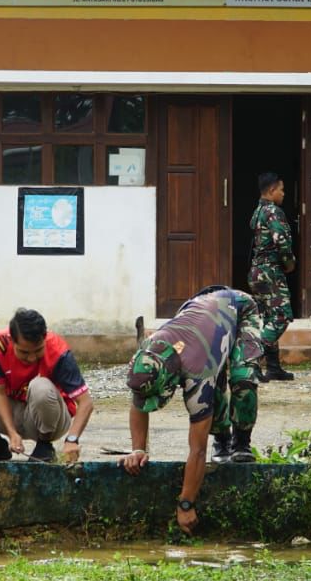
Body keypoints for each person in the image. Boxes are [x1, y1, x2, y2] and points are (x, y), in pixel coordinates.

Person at [122, 286, 263, 534]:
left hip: (239, 310)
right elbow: (139, 401)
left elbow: (197, 450)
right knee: (211, 393)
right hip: (198, 314)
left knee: (242, 381)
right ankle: (223, 439)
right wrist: (138, 449)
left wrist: (186, 503)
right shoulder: (147, 355)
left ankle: (240, 442)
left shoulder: (197, 370)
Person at [0, 308, 94, 463]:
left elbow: (86, 402)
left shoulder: (58, 351)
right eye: (24, 352)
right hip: (14, 411)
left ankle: (44, 445)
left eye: (38, 350)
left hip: (52, 419)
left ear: (45, 337)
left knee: (40, 386)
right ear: (12, 340)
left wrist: (72, 439)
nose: (32, 358)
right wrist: (12, 433)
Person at [247, 171, 296, 382]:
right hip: (270, 271)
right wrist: (289, 263)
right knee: (282, 315)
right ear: (272, 190)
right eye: (282, 190)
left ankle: (273, 367)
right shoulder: (273, 211)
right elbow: (281, 241)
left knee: (268, 317)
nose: (284, 194)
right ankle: (252, 359)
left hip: (257, 271)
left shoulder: (257, 212)